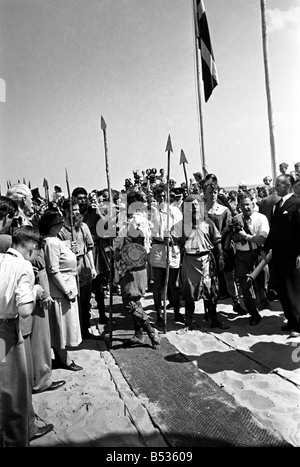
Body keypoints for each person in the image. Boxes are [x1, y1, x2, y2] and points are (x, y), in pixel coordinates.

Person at [0, 226, 54, 446]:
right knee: (13, 389)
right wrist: (35, 291)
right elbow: (24, 310)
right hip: (6, 328)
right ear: (32, 248)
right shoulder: (23, 266)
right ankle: (15, 438)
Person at [113, 190, 160, 348]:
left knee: (129, 303)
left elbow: (136, 246)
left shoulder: (135, 222)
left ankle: (150, 331)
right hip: (137, 266)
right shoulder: (138, 220)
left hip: (131, 267)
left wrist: (119, 252)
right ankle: (138, 335)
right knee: (135, 301)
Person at [38, 210, 83, 371]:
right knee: (61, 328)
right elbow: (53, 270)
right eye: (59, 224)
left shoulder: (56, 240)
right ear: (52, 226)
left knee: (63, 327)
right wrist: (67, 292)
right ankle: (64, 359)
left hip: (67, 285)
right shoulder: (51, 242)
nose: (63, 226)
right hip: (61, 290)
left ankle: (62, 357)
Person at [179, 195, 229, 331]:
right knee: (189, 292)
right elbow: (176, 242)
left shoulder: (208, 222)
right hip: (190, 261)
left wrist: (220, 257)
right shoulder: (182, 225)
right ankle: (188, 323)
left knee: (210, 291)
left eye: (197, 204)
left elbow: (217, 240)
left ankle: (214, 320)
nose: (194, 207)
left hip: (206, 260)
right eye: (191, 205)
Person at [262, 174, 300, 337]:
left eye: (279, 184)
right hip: (278, 256)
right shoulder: (278, 204)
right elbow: (274, 229)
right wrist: (266, 248)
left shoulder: (296, 204)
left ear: (288, 185)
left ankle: (299, 324)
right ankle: (291, 320)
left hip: (291, 256)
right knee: (282, 290)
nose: (276, 187)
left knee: (294, 290)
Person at [202, 181, 247, 316]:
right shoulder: (200, 210)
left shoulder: (223, 210)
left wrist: (224, 251)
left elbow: (228, 231)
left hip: (223, 247)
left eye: (215, 192)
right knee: (209, 280)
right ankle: (210, 308)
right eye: (210, 192)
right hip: (207, 249)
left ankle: (236, 303)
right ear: (204, 193)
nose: (213, 195)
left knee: (229, 277)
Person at [58, 198, 97, 339]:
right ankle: (73, 333)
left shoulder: (83, 226)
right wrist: (68, 245)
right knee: (72, 300)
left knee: (85, 300)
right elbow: (56, 248)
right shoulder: (60, 229)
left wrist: (92, 267)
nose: (76, 212)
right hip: (68, 268)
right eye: (73, 210)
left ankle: (85, 329)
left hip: (83, 265)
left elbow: (89, 248)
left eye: (77, 209)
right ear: (66, 211)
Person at [149, 184, 185, 326]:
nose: (162, 198)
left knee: (174, 284)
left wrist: (173, 235)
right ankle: (159, 313)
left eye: (164, 196)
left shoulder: (175, 210)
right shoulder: (152, 212)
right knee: (158, 283)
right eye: (159, 196)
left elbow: (180, 228)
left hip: (173, 248)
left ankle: (177, 311)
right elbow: (150, 230)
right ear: (155, 197)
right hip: (158, 248)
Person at [232, 191, 270, 326]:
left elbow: (262, 239)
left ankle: (263, 301)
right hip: (242, 256)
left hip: (258, 255)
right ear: (239, 206)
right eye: (243, 205)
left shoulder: (261, 218)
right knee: (246, 286)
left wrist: (245, 236)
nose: (246, 208)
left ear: (253, 204)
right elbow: (231, 237)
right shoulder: (236, 219)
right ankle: (254, 314)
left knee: (262, 285)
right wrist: (235, 237)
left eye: (248, 204)